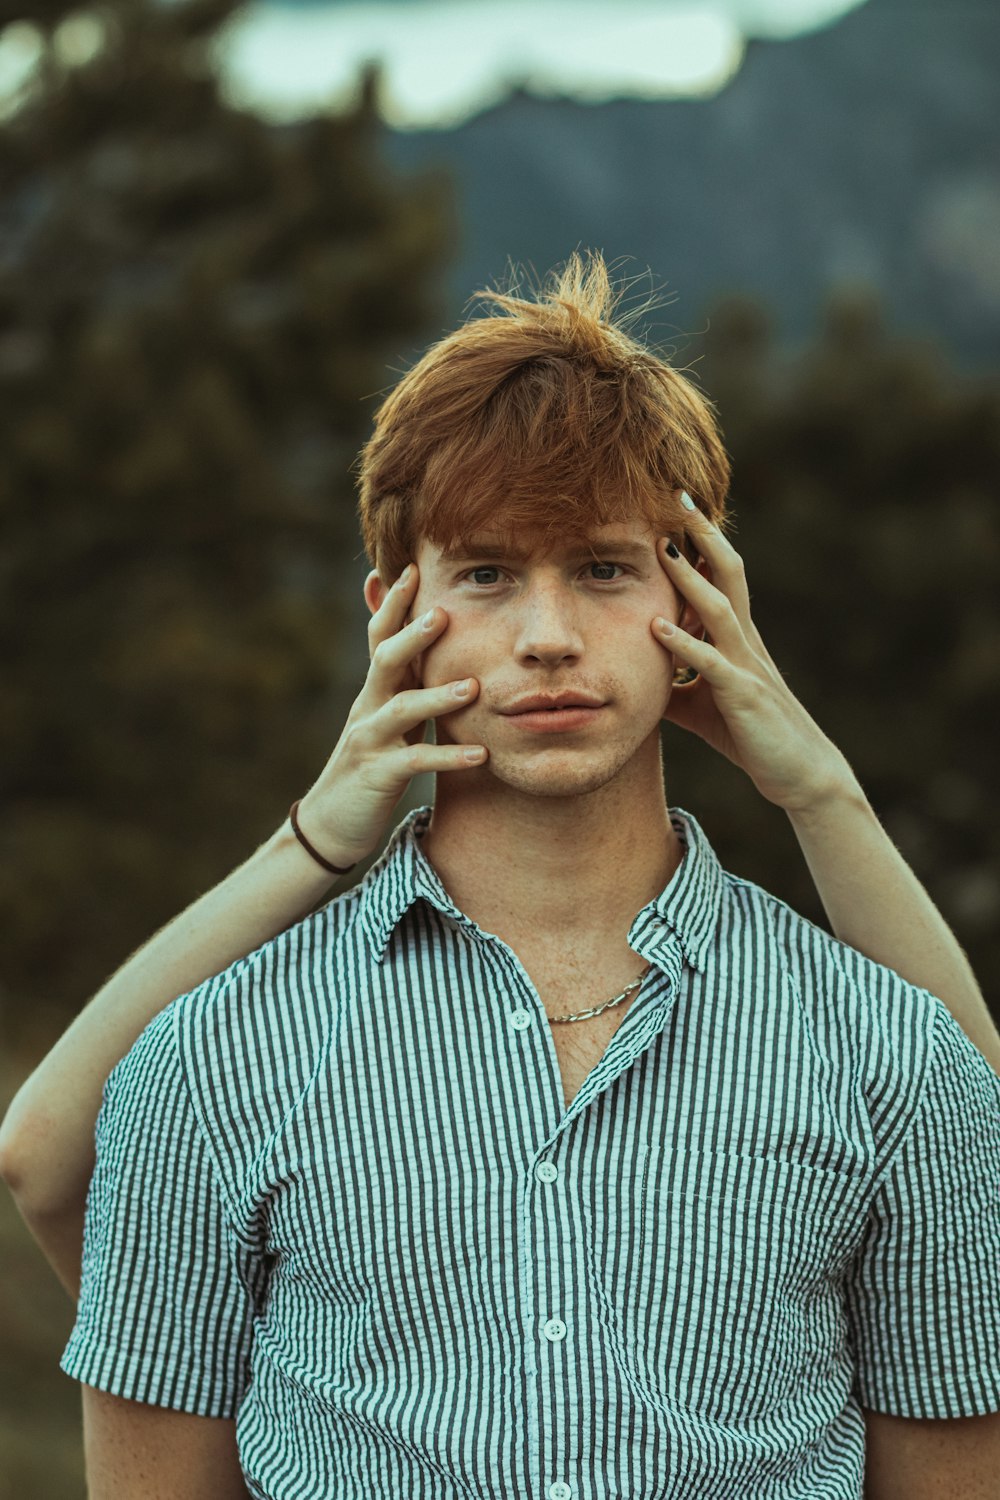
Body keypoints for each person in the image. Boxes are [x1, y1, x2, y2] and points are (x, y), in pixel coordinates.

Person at [2, 251, 998, 1500]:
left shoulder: (882, 1049)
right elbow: (47, 1170)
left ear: (695, 607)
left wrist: (818, 786)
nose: (546, 635)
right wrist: (317, 836)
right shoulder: (213, 1060)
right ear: (393, 614)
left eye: (602, 568)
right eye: (484, 572)